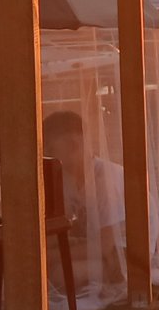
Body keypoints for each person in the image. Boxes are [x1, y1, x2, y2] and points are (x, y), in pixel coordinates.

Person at [43, 109, 126, 293]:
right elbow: (58, 228)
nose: (73, 140)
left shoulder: (106, 178)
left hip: (123, 254)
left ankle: (110, 276)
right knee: (39, 274)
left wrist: (51, 256)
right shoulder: (65, 179)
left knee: (58, 276)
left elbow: (106, 246)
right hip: (94, 248)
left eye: (48, 149)